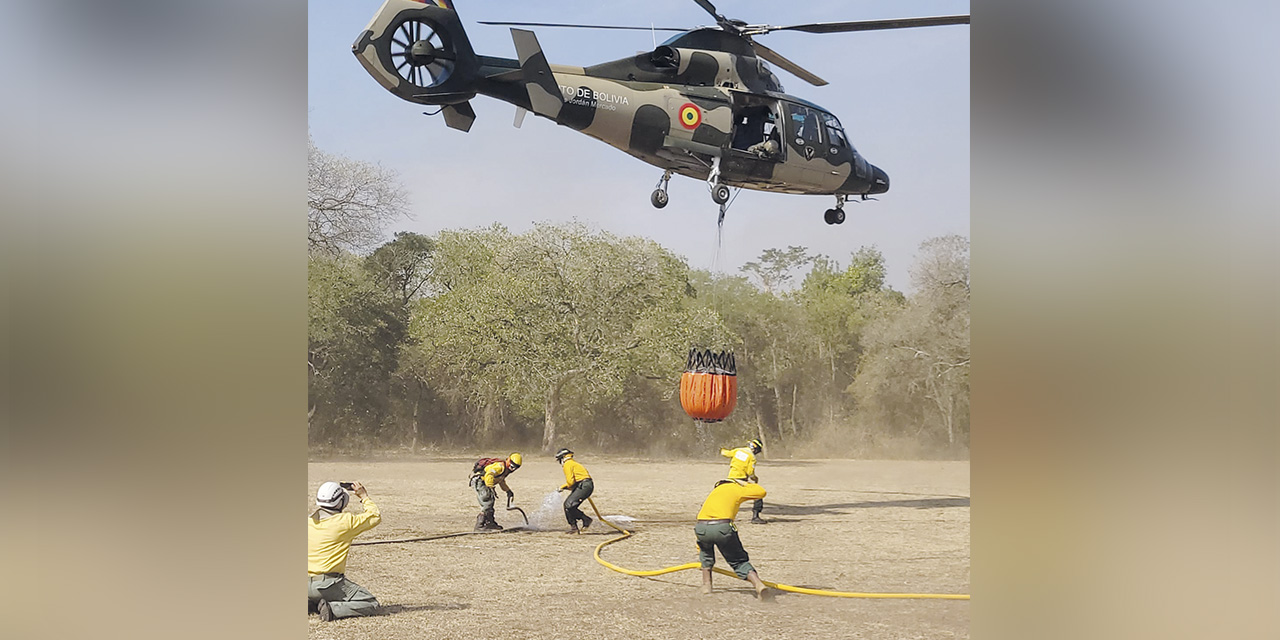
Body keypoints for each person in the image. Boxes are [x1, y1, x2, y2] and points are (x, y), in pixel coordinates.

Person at [308, 481, 382, 621]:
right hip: (328, 584)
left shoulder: (308, 522)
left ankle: (311, 604)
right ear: (341, 501)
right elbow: (374, 516)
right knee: (371, 603)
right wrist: (364, 496)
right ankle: (332, 609)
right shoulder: (345, 522)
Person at [695, 478, 773, 600]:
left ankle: (706, 586)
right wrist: (746, 483)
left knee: (706, 555)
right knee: (737, 560)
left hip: (701, 527)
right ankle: (758, 584)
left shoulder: (715, 492)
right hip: (722, 527)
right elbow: (761, 492)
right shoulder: (736, 489)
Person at [469, 452, 522, 531]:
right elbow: (489, 474)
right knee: (487, 501)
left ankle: (490, 523)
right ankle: (479, 525)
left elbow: (501, 481)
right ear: (508, 460)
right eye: (512, 465)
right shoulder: (500, 467)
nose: (513, 468)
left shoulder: (506, 470)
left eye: (516, 467)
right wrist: (490, 486)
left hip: (485, 482)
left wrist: (508, 491)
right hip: (480, 481)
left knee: (491, 501)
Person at [719, 438, 767, 523]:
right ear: (755, 448)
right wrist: (755, 478)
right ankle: (755, 517)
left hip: (730, 478)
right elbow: (750, 472)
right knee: (758, 494)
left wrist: (720, 449)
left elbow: (726, 453)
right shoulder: (752, 457)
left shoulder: (738, 450)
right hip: (741, 480)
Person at [555, 448, 594, 534]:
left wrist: (562, 487)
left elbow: (570, 482)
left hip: (584, 485)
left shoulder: (567, 464)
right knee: (569, 505)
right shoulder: (572, 463)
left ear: (562, 458)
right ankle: (576, 526)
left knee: (568, 505)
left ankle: (584, 520)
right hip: (585, 485)